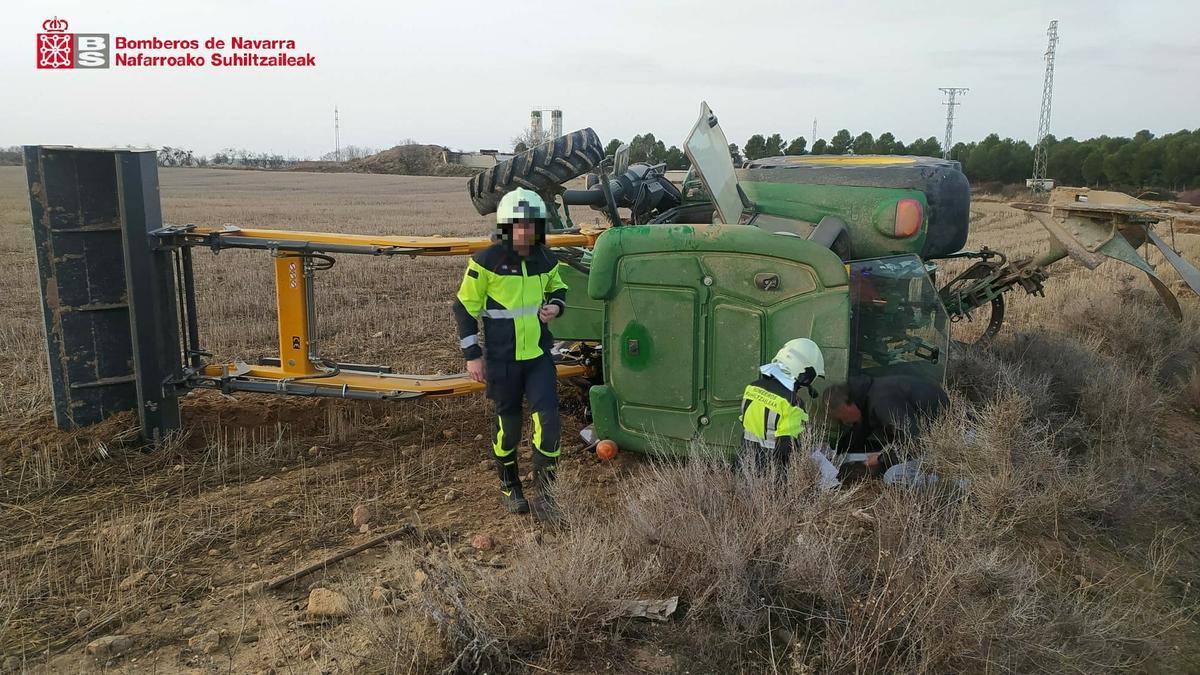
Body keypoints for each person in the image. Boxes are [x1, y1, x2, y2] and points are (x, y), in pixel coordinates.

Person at [452, 188, 568, 521]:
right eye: (518, 225)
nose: (525, 232)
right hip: (502, 362)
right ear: (505, 225)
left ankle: (546, 497)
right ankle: (509, 485)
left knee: (549, 422)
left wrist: (556, 307)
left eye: (531, 225)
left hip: (538, 358)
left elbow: (558, 286)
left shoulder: (545, 258)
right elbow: (464, 308)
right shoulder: (486, 261)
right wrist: (473, 354)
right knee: (510, 428)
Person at [825, 373, 949, 475]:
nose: (844, 422)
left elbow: (914, 442)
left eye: (841, 417)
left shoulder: (882, 402)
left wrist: (881, 459)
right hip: (930, 436)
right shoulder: (867, 397)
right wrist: (835, 451)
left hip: (946, 443)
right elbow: (859, 432)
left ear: (848, 405)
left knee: (893, 476)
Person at [739, 338, 826, 469]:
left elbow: (745, 423)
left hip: (745, 463)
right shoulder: (792, 404)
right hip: (771, 472)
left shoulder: (752, 388)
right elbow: (787, 446)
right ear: (805, 374)